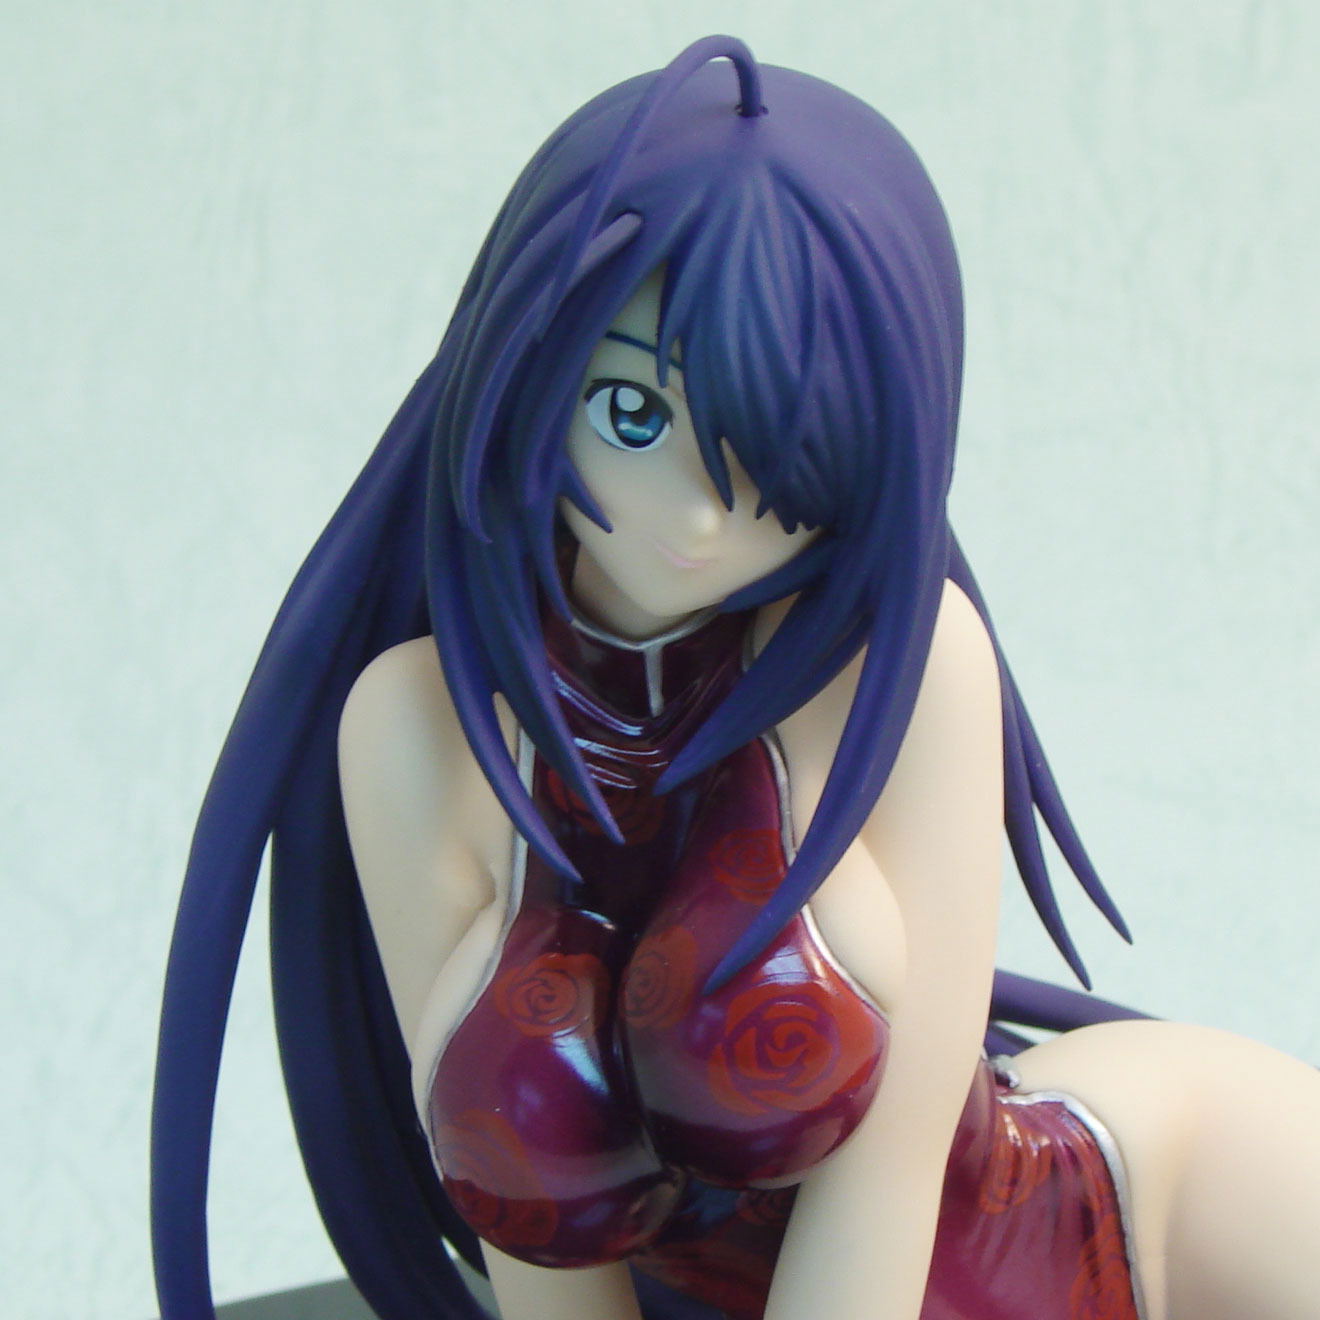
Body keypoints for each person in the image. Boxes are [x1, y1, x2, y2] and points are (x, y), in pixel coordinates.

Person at [152, 35, 1320, 1320]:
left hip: (1132, 1214)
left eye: (787, 459)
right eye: (630, 414)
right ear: (524, 359)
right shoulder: (419, 730)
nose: (701, 523)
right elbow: (537, 1250)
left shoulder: (899, 669)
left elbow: (890, 1176)